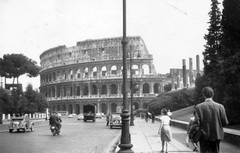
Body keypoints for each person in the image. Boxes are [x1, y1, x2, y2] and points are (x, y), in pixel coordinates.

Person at [195, 86, 228, 153]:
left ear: (203, 95)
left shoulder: (198, 107)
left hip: (203, 136)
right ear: (213, 94)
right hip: (217, 135)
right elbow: (225, 122)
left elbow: (196, 123)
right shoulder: (220, 106)